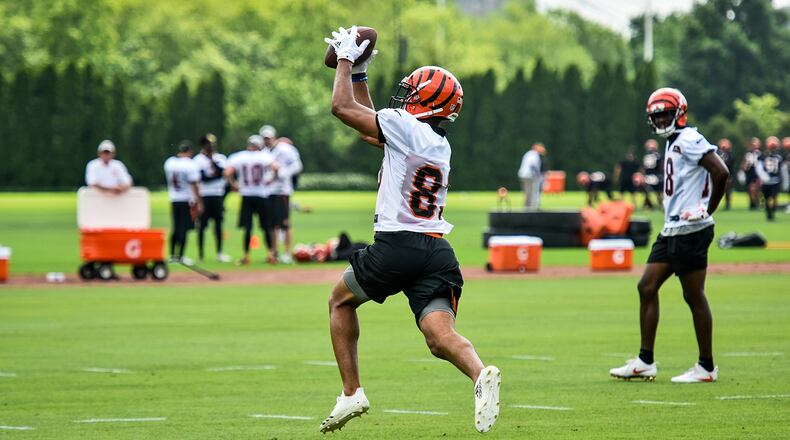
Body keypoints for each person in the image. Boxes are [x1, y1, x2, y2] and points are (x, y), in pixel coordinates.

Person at [319, 26, 500, 434]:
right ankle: (479, 374)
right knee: (439, 336)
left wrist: (347, 57)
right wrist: (362, 73)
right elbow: (371, 128)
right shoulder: (437, 141)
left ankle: (352, 393)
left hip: (397, 244)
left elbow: (343, 109)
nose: (407, 98)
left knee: (339, 302)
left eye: (415, 93)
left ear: (428, 102)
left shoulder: (407, 126)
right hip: (436, 251)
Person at [610, 87, 729, 383]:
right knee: (646, 286)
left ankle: (706, 367)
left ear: (679, 113)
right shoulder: (674, 141)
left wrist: (706, 210)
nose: (661, 120)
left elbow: (721, 172)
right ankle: (645, 361)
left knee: (693, 294)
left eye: (665, 114)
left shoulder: (689, 139)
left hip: (691, 230)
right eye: (657, 116)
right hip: (672, 229)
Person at [224, 135, 277, 265]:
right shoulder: (264, 156)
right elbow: (276, 167)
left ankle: (246, 256)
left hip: (246, 194)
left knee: (247, 227)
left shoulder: (239, 156)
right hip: (261, 194)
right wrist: (271, 179)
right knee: (266, 226)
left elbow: (227, 172)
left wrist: (233, 184)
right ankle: (271, 254)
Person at [260, 126, 303, 264]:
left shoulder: (285, 149)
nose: (267, 140)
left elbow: (297, 165)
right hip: (268, 191)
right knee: (272, 224)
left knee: (285, 223)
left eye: (269, 138)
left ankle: (287, 252)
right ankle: (274, 251)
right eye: (265, 138)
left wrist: (284, 172)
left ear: (274, 137)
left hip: (282, 190)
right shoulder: (264, 152)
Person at [193, 133, 231, 263]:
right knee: (202, 226)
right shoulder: (198, 160)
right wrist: (216, 175)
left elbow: (223, 174)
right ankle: (201, 254)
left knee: (218, 225)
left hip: (218, 195)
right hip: (204, 195)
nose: (211, 147)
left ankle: (219, 252)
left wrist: (213, 165)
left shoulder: (220, 158)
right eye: (208, 144)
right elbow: (204, 178)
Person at [164, 141, 203, 263]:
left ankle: (172, 255)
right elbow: (195, 184)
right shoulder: (190, 164)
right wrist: (199, 201)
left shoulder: (169, 162)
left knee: (175, 227)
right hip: (186, 199)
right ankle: (180, 256)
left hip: (174, 198)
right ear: (190, 151)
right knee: (184, 228)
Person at [755, 136, 789, 221]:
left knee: (771, 198)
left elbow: (759, 167)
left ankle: (770, 213)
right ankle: (770, 213)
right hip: (771, 180)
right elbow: (783, 169)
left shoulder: (764, 155)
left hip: (772, 181)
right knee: (771, 198)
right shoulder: (779, 155)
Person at [517, 143, 546, 210]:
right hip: (528, 175)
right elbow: (532, 166)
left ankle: (529, 207)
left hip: (525, 174)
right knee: (529, 191)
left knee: (528, 191)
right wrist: (538, 175)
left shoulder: (530, 154)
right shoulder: (533, 154)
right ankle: (528, 208)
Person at [741, 137, 762, 210]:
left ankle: (756, 203)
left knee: (754, 189)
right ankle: (752, 203)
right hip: (749, 172)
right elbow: (744, 163)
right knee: (749, 189)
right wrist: (743, 168)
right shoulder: (748, 153)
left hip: (757, 173)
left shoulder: (760, 154)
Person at [641, 139, 663, 210]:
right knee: (658, 192)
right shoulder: (657, 155)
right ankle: (660, 205)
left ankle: (648, 205)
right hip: (656, 175)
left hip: (648, 176)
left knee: (647, 192)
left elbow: (644, 167)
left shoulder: (646, 156)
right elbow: (660, 166)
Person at [716, 138, 736, 210]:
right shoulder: (717, 153)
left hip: (728, 175)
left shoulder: (730, 154)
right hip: (718, 175)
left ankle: (728, 204)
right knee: (717, 191)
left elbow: (731, 162)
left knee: (728, 190)